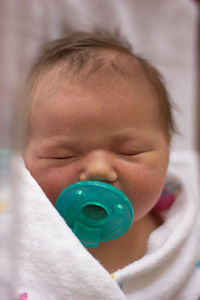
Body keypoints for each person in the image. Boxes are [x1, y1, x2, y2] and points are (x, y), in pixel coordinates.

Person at [21, 31, 200, 298]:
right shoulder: (13, 229)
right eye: (62, 154)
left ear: (167, 148)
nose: (98, 170)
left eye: (130, 151)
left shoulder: (190, 231)